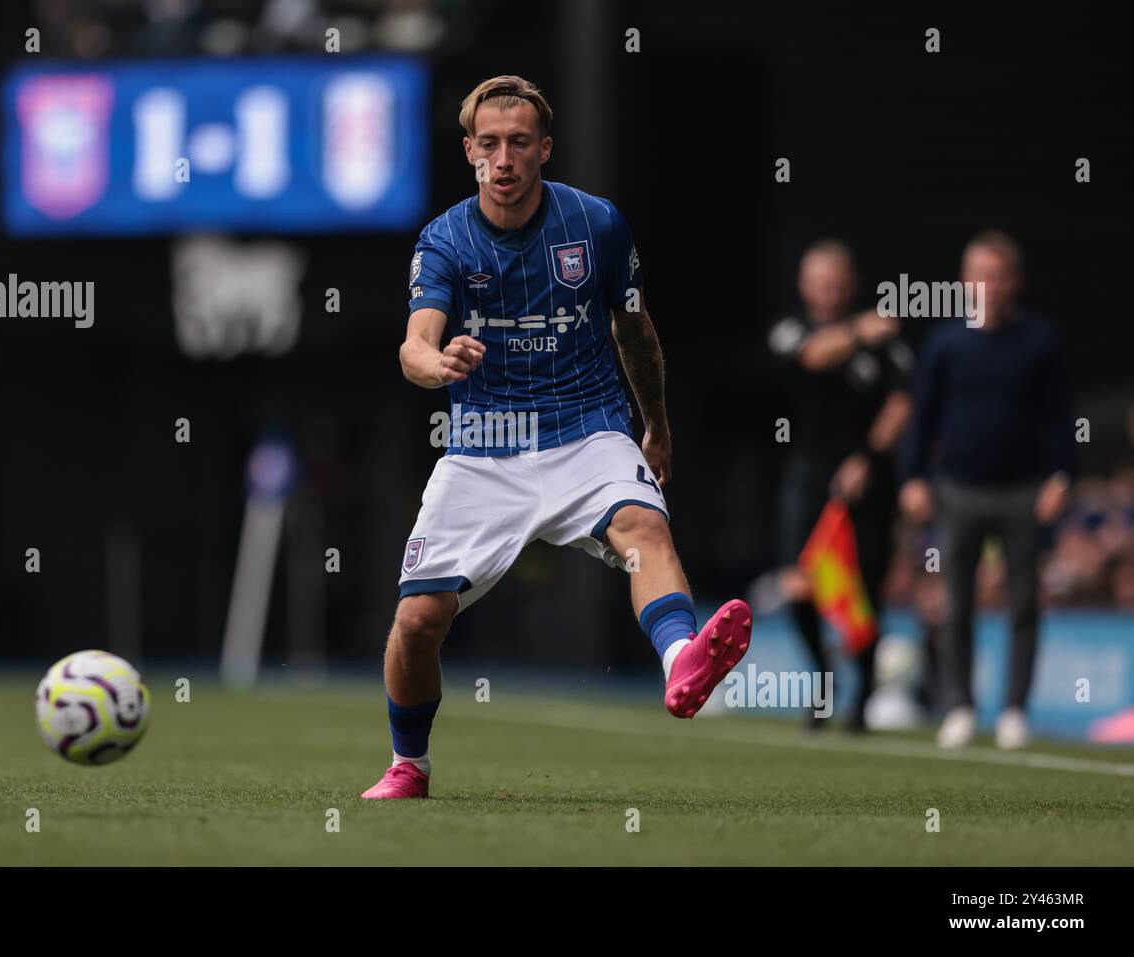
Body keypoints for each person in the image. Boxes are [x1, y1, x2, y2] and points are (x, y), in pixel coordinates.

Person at [362, 76, 752, 799]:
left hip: (587, 428)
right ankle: (408, 765)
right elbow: (414, 344)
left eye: (518, 142)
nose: (503, 158)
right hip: (483, 443)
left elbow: (635, 331)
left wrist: (656, 426)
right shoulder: (444, 238)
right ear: (469, 152)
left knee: (643, 528)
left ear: (544, 148)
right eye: (488, 144)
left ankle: (682, 664)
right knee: (418, 618)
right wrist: (437, 361)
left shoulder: (596, 224)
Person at [899, 230, 1072, 749]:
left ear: (1014, 282)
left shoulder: (1040, 341)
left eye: (998, 276)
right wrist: (913, 478)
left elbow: (1059, 417)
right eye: (979, 275)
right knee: (956, 604)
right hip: (958, 490)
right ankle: (959, 706)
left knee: (1023, 603)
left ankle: (1015, 709)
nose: (989, 286)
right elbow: (921, 417)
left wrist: (1061, 476)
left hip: (1023, 490)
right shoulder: (946, 343)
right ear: (964, 281)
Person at [768, 240, 913, 731]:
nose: (829, 293)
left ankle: (865, 697)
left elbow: (901, 402)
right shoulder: (793, 330)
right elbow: (812, 357)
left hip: (866, 479)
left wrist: (867, 458)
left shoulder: (885, 344)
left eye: (837, 284)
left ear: (850, 285)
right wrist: (857, 330)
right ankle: (822, 677)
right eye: (820, 283)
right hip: (807, 476)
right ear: (805, 286)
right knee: (797, 585)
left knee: (862, 592)